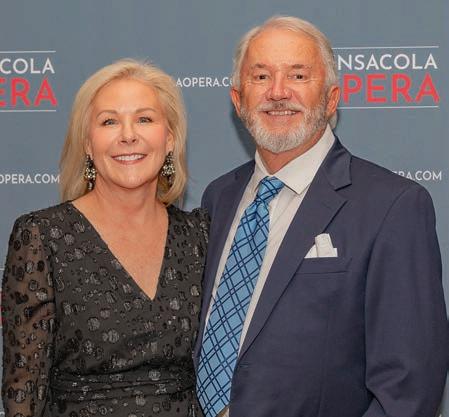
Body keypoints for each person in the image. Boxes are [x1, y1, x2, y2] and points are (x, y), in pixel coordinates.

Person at [195, 16, 448, 417]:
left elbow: (406, 389)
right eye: (261, 76)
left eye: (298, 75)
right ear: (238, 100)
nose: (278, 92)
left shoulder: (393, 206)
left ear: (331, 99)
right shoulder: (218, 198)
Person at [2, 59, 208, 417]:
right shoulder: (42, 236)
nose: (128, 135)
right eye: (109, 121)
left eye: (144, 119)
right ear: (87, 143)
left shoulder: (199, 236)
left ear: (170, 138)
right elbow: (24, 392)